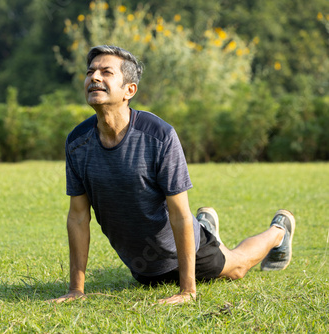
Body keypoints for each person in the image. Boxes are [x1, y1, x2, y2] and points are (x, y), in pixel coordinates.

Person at [50, 45, 295, 305]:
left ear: (129, 90)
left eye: (106, 72)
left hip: (183, 252)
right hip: (144, 267)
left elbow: (178, 213)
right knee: (156, 275)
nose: (94, 77)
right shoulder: (77, 142)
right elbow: (77, 216)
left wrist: (187, 291)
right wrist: (76, 290)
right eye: (90, 72)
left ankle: (279, 231)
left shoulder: (159, 135)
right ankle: (204, 226)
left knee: (236, 267)